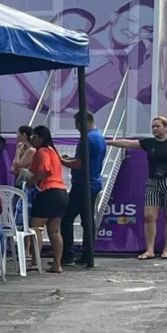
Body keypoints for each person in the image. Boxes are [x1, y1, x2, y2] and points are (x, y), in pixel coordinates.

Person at [107, 116, 167, 260]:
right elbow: (128, 143)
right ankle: (149, 250)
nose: (155, 129)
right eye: (153, 127)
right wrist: (108, 142)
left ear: (166, 128)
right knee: (149, 216)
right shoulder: (149, 143)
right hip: (153, 182)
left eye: (158, 126)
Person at [59, 111, 107, 266]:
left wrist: (61, 161)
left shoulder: (86, 139)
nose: (77, 128)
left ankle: (67, 255)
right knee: (87, 220)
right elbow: (87, 160)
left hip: (82, 184)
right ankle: (87, 253)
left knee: (66, 218)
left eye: (77, 125)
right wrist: (71, 159)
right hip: (94, 182)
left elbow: (79, 164)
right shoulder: (99, 137)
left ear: (83, 122)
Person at [27, 125, 69, 273]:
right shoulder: (53, 151)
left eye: (34, 137)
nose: (32, 139)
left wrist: (31, 182)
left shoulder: (42, 151)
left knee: (36, 227)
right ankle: (57, 264)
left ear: (41, 138)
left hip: (48, 192)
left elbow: (44, 170)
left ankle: (35, 262)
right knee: (55, 230)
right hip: (61, 192)